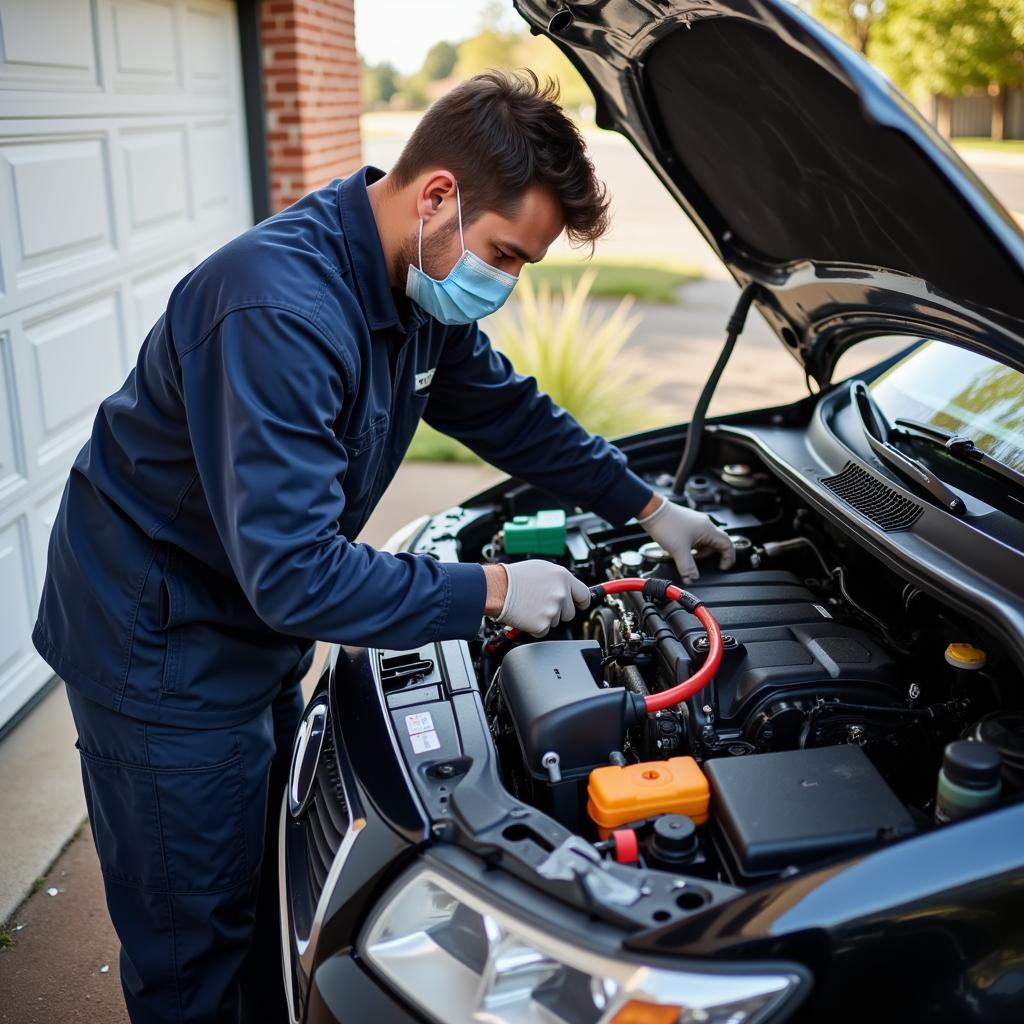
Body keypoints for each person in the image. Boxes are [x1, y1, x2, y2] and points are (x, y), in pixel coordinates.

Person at [32, 70, 734, 1023]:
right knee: (191, 946)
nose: (507, 282)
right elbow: (293, 573)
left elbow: (510, 415)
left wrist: (648, 507)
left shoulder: (409, 285)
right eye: (506, 255)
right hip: (159, 648)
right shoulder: (280, 311)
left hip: (242, 621)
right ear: (438, 195)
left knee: (255, 893)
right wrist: (489, 590)